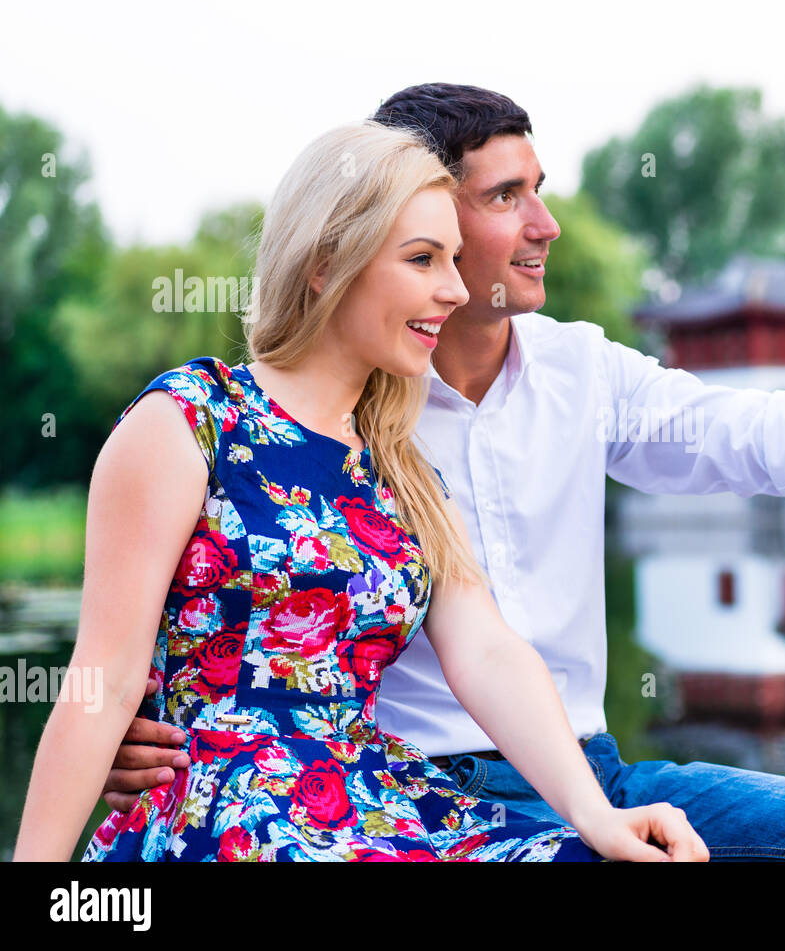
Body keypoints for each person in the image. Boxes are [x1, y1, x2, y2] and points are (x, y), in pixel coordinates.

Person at [102, 83, 785, 861]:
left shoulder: (581, 370)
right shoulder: (336, 417)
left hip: (593, 769)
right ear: (419, 218)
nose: (544, 225)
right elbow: (210, 602)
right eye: (508, 197)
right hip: (393, 794)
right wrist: (143, 731)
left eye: (539, 191)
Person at [13, 120, 708, 862]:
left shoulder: (401, 465)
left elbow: (486, 651)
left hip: (370, 798)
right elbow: (105, 685)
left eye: (454, 260)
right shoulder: (191, 420)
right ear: (325, 264)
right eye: (422, 259)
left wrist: (595, 814)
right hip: (223, 818)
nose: (455, 288)